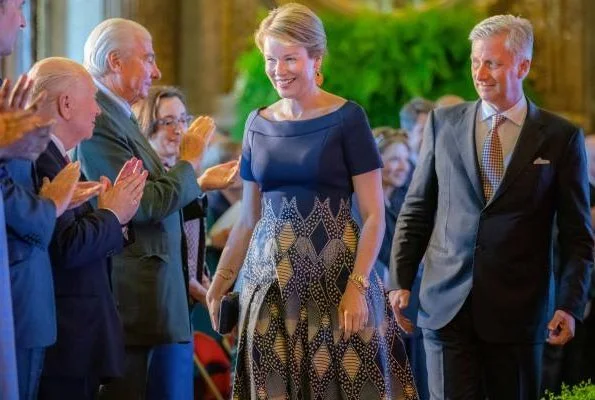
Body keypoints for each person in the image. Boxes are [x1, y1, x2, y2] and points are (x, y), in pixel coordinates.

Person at [206, 4, 418, 399]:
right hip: (267, 286)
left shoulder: (348, 118)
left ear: (315, 58)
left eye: (290, 59)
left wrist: (357, 286)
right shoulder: (256, 122)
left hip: (336, 281)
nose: (278, 69)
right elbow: (248, 218)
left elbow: (374, 216)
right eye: (271, 59)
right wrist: (219, 284)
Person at [390, 15, 593, 400]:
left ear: (523, 66)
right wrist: (400, 280)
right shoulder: (443, 122)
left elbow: (578, 236)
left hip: (519, 314)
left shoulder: (561, 137)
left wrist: (570, 305)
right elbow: (417, 208)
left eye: (492, 63)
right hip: (444, 305)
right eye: (475, 61)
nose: (480, 73)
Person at [74, 18, 217, 399]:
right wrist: (188, 164)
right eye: (148, 59)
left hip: (156, 299)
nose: (156, 70)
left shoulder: (120, 113)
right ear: (116, 61)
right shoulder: (101, 119)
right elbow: (142, 204)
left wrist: (197, 182)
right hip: (133, 301)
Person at [24, 57, 146, 400]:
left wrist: (116, 215)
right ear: (66, 104)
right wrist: (111, 214)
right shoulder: (40, 159)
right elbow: (66, 247)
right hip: (65, 338)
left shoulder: (57, 156)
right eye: (92, 98)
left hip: (79, 335)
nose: (98, 110)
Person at [132, 85, 238, 400]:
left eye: (183, 119)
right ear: (146, 126)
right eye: (168, 121)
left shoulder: (184, 178)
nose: (179, 130)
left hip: (182, 312)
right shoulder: (145, 179)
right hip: (156, 314)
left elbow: (191, 252)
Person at [398, 97, 434, 162]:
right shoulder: (400, 170)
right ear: (406, 134)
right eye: (424, 130)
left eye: (436, 129)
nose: (433, 136)